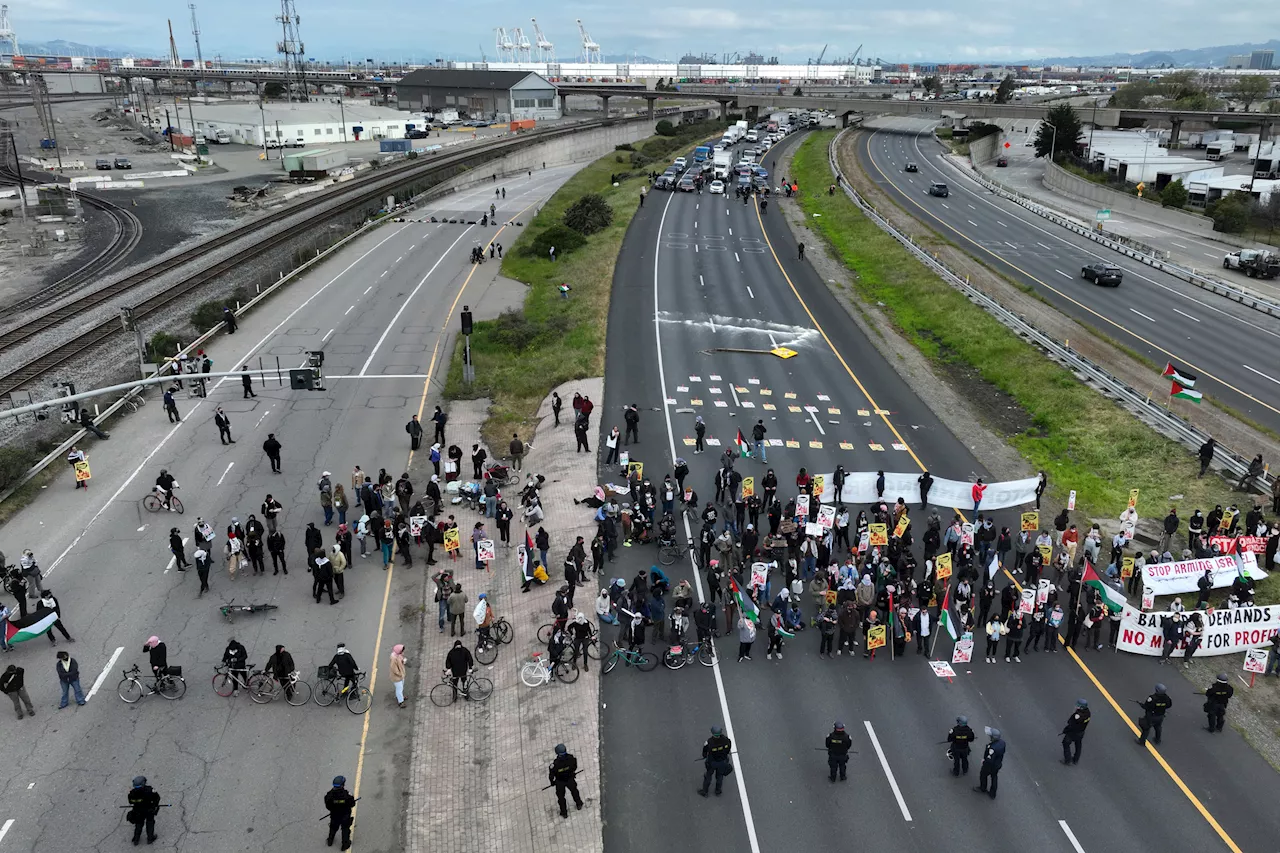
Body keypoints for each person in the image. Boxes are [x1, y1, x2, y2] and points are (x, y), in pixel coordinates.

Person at [548, 744, 584, 817]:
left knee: (561, 797)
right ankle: (579, 803)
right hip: (570, 779)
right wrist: (571, 773)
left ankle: (564, 812)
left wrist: (552, 782)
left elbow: (551, 775)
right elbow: (574, 766)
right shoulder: (571, 758)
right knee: (574, 791)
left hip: (560, 782)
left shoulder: (555, 764)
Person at [698, 726, 734, 797]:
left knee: (708, 776)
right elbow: (728, 748)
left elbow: (704, 752)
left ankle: (705, 792)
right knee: (720, 776)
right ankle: (718, 791)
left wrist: (705, 756)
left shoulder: (709, 742)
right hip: (723, 761)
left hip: (712, 762)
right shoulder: (726, 740)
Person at [127, 775, 162, 845]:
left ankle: (136, 839)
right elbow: (157, 798)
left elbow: (130, 802)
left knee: (139, 824)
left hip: (137, 811)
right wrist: (154, 805)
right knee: (150, 823)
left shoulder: (132, 793)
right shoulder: (149, 790)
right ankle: (150, 838)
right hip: (149, 810)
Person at [324, 776, 355, 850]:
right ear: (342, 785)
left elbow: (328, 806)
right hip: (345, 816)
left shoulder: (329, 796)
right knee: (345, 829)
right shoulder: (347, 795)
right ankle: (345, 845)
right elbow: (352, 804)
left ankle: (330, 841)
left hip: (334, 816)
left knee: (333, 828)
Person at [973, 729, 1005, 799]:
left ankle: (983, 788)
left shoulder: (992, 748)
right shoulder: (1002, 743)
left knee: (983, 775)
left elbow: (990, 760)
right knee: (994, 777)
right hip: (998, 764)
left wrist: (984, 761)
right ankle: (992, 793)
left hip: (990, 766)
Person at [1061, 699, 1091, 765]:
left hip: (1073, 733)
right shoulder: (1088, 713)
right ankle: (1075, 759)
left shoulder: (1077, 716)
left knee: (1065, 743)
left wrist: (1067, 730)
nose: (1077, 706)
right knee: (1078, 745)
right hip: (1081, 732)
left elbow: (1072, 724)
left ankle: (1068, 759)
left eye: (1078, 705)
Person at [389, 644, 408, 708]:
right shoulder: (394, 658)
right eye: (402, 651)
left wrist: (403, 661)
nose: (403, 652)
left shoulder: (398, 655)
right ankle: (400, 702)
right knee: (399, 689)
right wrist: (400, 674)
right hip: (397, 677)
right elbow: (394, 669)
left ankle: (400, 697)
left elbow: (401, 660)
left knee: (401, 687)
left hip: (401, 675)